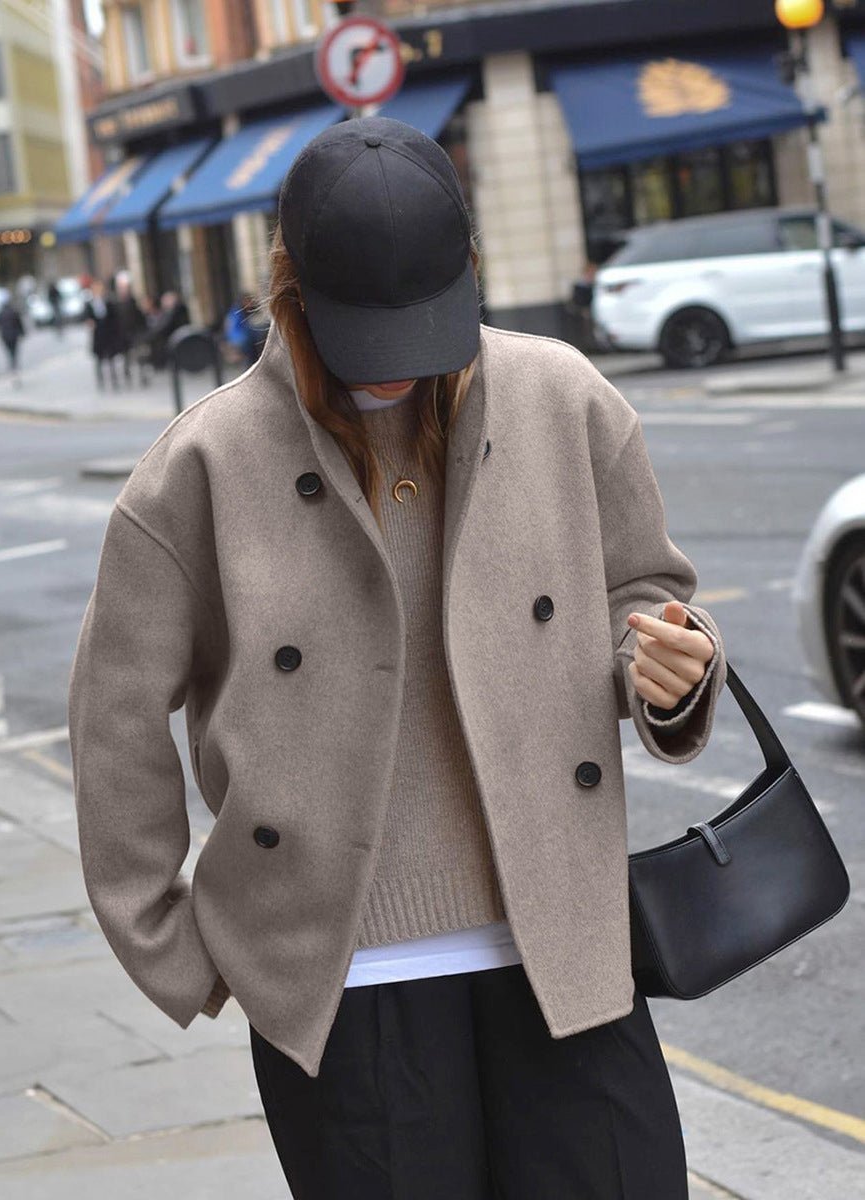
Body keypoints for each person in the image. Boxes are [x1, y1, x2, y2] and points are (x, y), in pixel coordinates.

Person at [67, 117, 728, 1198]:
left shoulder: (562, 399)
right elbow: (114, 715)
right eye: (365, 336)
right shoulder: (204, 464)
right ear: (291, 293)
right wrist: (173, 942)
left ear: (467, 274)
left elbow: (646, 592)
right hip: (347, 984)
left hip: (562, 944)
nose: (399, 371)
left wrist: (670, 667)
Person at [83, 278, 119, 389]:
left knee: (111, 358)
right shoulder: (89, 304)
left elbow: (114, 317)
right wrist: (89, 322)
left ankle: (114, 379)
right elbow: (86, 317)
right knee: (99, 359)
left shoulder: (108, 302)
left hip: (108, 334)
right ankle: (101, 381)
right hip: (98, 335)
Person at [0, 296, 25, 386]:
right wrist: (22, 333)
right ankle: (14, 367)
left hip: (5, 337)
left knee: (9, 352)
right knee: (14, 352)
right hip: (14, 336)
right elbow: (20, 324)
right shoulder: (14, 312)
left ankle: (12, 366)